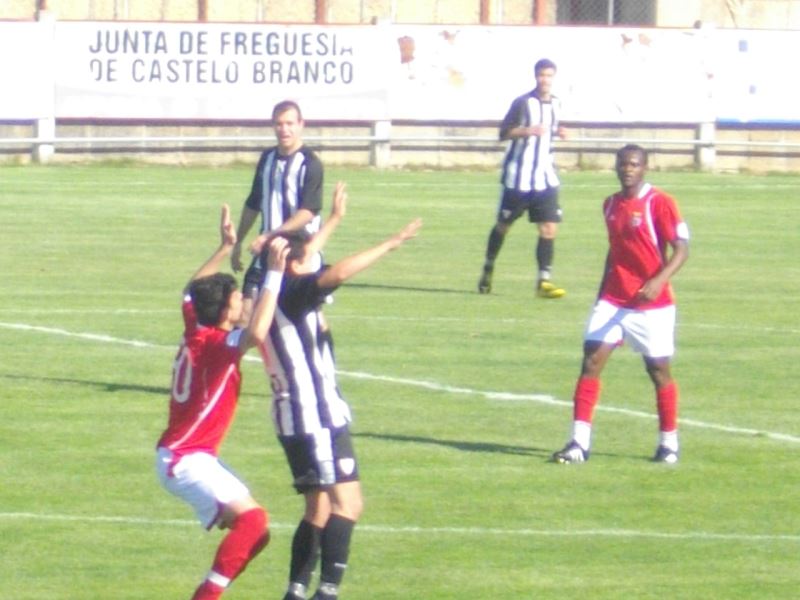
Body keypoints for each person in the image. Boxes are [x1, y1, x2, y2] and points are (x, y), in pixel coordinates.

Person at [262, 182, 422, 600]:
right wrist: (391, 243)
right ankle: (326, 593)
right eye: (303, 250)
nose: (312, 253)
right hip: (314, 417)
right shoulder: (293, 293)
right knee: (348, 506)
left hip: (298, 417)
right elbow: (337, 272)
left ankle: (296, 591)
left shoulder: (268, 290)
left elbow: (312, 254)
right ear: (291, 261)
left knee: (317, 508)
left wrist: (334, 218)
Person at [155, 204, 290, 600]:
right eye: (236, 298)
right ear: (226, 311)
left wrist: (224, 246)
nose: (240, 300)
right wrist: (275, 275)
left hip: (188, 456)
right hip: (185, 459)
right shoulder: (217, 345)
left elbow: (190, 290)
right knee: (253, 522)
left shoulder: (198, 328)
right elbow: (258, 330)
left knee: (257, 533)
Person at [552, 144, 690, 465]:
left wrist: (659, 281)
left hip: (651, 305)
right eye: (623, 164)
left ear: (644, 168)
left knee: (658, 371)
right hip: (614, 300)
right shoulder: (610, 205)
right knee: (591, 360)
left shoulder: (660, 203)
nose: (628, 169)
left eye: (634, 164)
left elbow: (682, 249)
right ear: (616, 167)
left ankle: (668, 443)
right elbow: (615, 252)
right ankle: (578, 444)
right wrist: (601, 295)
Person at [478, 57, 567, 298]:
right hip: (518, 179)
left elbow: (551, 129)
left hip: (545, 178)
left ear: (554, 77)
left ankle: (543, 281)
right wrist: (527, 131)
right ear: (535, 76)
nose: (545, 80)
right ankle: (488, 265)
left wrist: (559, 131)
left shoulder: (557, 104)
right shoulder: (522, 103)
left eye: (549, 75)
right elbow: (503, 132)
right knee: (503, 226)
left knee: (549, 229)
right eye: (541, 75)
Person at [232, 99, 324, 322]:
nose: (284, 129)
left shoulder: (310, 163)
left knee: (302, 321)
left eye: (290, 123)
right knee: (244, 316)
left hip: (298, 252)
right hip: (265, 251)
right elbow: (254, 201)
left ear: (301, 124)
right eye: (279, 124)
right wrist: (238, 242)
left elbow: (308, 212)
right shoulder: (267, 158)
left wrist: (270, 235)